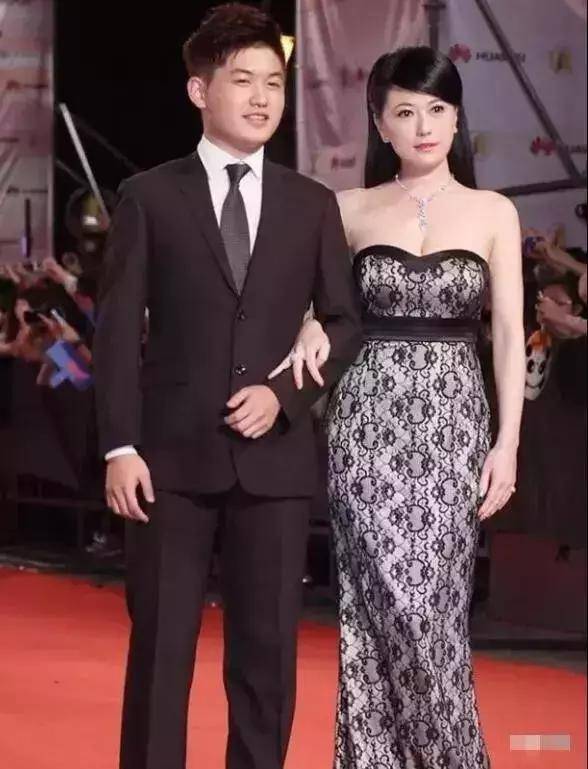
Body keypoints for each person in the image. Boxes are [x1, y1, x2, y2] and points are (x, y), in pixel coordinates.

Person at [92, 5, 361, 769]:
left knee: (267, 658)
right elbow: (116, 332)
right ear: (198, 90)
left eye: (274, 82)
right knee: (161, 651)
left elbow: (344, 323)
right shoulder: (149, 196)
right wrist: (119, 445)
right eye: (242, 80)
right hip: (167, 463)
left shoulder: (312, 203)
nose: (262, 97)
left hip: (274, 463)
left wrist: (286, 395)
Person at [280, 47, 525, 768]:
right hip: (365, 424)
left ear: (457, 117)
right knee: (373, 609)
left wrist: (508, 443)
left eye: (438, 110)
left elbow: (510, 334)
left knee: (431, 613)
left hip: (454, 425)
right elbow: (321, 309)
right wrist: (307, 325)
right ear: (380, 123)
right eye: (407, 112)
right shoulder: (347, 208)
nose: (424, 127)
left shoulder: (493, 212)